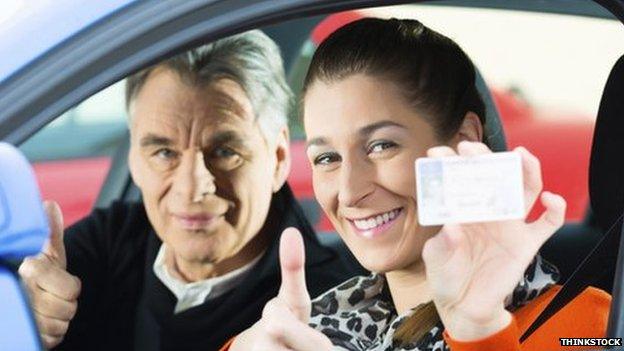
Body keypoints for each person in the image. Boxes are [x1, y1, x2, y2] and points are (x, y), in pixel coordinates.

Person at [224, 18, 611, 351]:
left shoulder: (592, 328)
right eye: (327, 158)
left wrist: (478, 333)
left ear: (464, 141)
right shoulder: (309, 329)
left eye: (381, 146)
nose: (349, 191)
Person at [17, 30, 364, 350]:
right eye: (165, 153)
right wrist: (19, 321)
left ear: (277, 158)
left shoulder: (332, 303)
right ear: (135, 160)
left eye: (226, 152)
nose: (193, 187)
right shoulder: (108, 242)